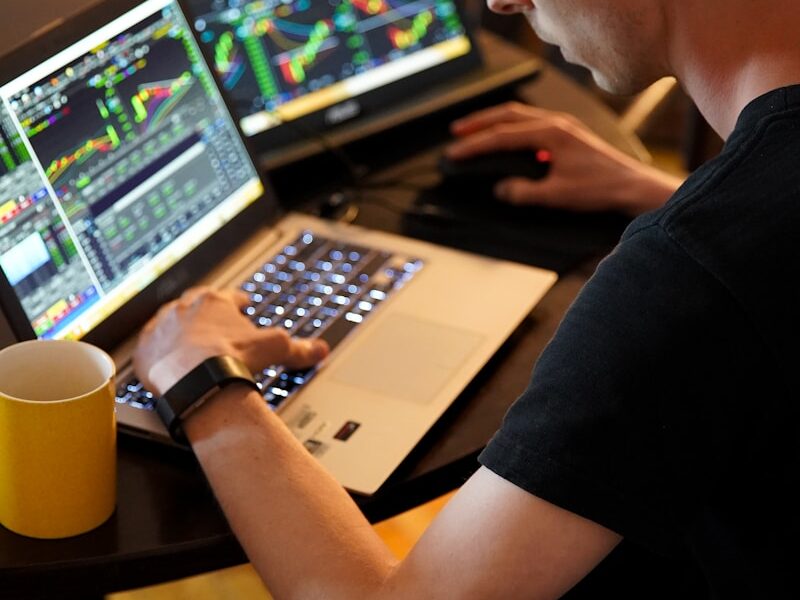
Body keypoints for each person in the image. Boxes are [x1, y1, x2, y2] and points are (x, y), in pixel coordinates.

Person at [134, 0, 800, 597]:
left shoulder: (683, 280)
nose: (500, 1)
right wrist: (668, 194)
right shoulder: (741, 231)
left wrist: (204, 383)